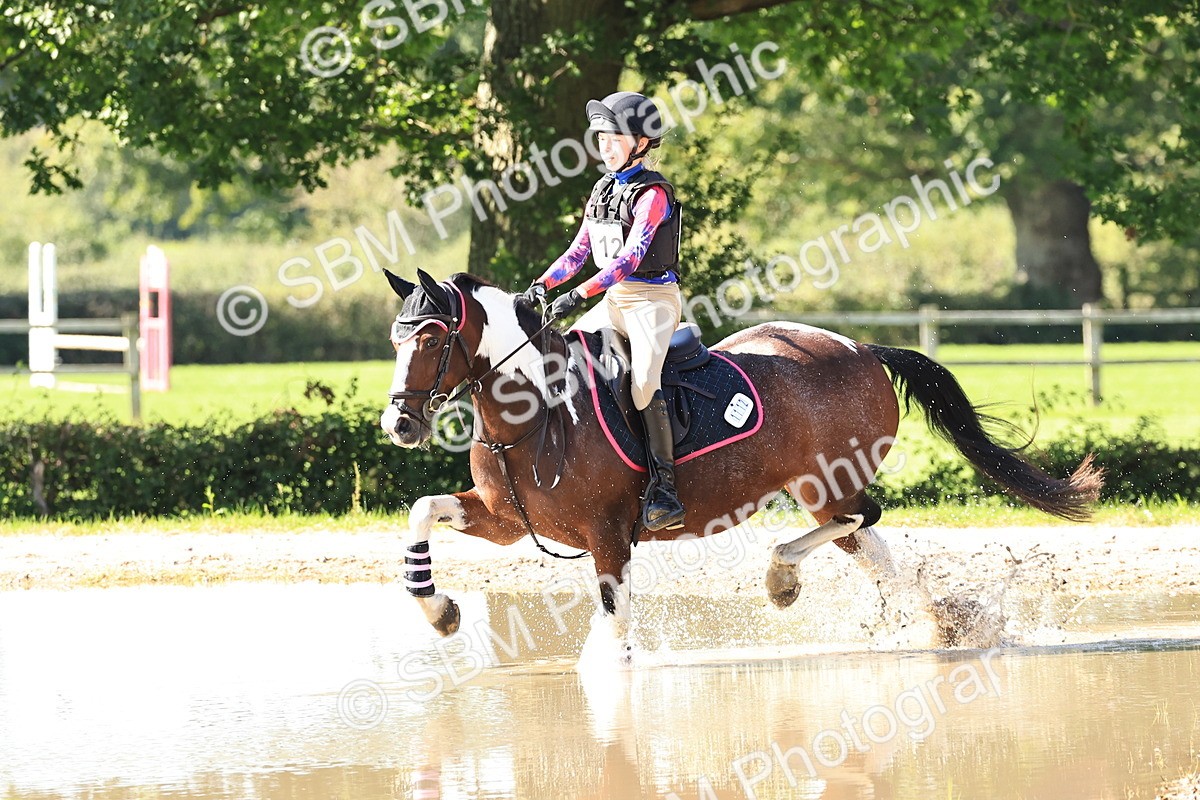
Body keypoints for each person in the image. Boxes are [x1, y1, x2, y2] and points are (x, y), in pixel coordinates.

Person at [522, 91, 685, 532]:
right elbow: (579, 252)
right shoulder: (601, 190)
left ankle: (665, 488)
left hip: (652, 301)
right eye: (601, 138)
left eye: (615, 137)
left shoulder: (652, 194)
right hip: (613, 300)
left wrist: (579, 296)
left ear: (642, 141)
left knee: (643, 382)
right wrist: (541, 285)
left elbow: (630, 260)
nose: (606, 145)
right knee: (560, 359)